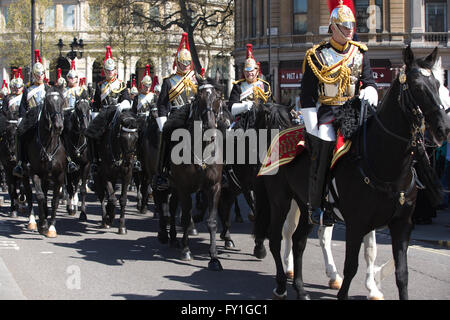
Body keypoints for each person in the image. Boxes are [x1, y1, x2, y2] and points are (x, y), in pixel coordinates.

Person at [300, 0, 377, 226]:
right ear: (332, 26)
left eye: (351, 25)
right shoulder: (317, 55)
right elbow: (307, 95)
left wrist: (370, 92)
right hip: (329, 113)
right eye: (344, 26)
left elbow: (370, 81)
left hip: (356, 110)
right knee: (325, 144)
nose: (350, 29)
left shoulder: (360, 53)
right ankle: (316, 204)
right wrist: (312, 125)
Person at [153, 32, 198, 191]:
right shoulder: (168, 81)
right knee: (164, 139)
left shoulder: (196, 79)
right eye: (182, 63)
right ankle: (162, 172)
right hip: (176, 117)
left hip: (195, 116)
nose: (185, 66)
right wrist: (163, 123)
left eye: (187, 63)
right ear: (177, 63)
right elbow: (163, 104)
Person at [86, 46, 131, 177]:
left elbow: (127, 100)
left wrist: (122, 105)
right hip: (103, 116)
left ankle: (132, 159)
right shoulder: (100, 86)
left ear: (115, 70)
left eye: (111, 70)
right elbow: (96, 104)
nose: (109, 72)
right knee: (91, 134)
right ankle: (94, 160)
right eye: (107, 70)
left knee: (132, 133)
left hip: (118, 114)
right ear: (104, 71)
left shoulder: (122, 85)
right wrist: (94, 116)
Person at [13, 50, 51, 178]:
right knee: (20, 135)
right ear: (33, 75)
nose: (39, 76)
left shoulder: (48, 88)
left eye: (41, 74)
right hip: (32, 120)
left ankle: (68, 160)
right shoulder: (27, 89)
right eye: (37, 74)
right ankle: (21, 162)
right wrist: (21, 119)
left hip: (47, 119)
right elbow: (23, 106)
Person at [228, 44, 272, 123]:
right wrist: (245, 106)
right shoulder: (238, 86)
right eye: (246, 71)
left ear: (257, 71)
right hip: (243, 121)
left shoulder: (264, 86)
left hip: (261, 121)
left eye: (251, 71)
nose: (249, 73)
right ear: (244, 72)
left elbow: (269, 105)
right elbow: (231, 108)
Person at [63, 59, 89, 173]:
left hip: (79, 116)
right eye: (70, 78)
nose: (72, 80)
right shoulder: (63, 91)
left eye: (74, 78)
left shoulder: (82, 91)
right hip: (66, 116)